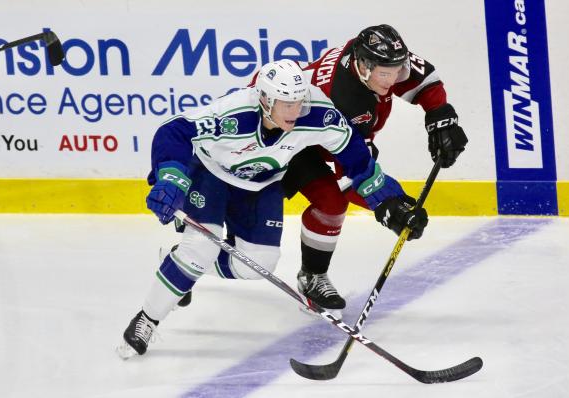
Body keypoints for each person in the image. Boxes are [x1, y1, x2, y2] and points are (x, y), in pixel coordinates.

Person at [117, 59, 428, 358]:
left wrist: (392, 202)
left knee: (256, 263)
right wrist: (171, 179)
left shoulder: (317, 113)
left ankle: (179, 265)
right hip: (210, 174)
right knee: (199, 247)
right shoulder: (234, 113)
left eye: (299, 102)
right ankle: (148, 319)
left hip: (261, 184)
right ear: (265, 99)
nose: (296, 111)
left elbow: (358, 160)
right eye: (287, 104)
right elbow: (174, 132)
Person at [275, 24, 469, 312]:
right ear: (363, 67)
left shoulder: (377, 57)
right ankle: (191, 258)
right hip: (283, 137)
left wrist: (440, 115)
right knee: (254, 213)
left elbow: (424, 79)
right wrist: (392, 205)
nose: (393, 81)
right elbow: (355, 174)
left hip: (319, 136)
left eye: (396, 72)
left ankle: (312, 276)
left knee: (330, 204)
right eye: (385, 75)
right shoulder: (343, 99)